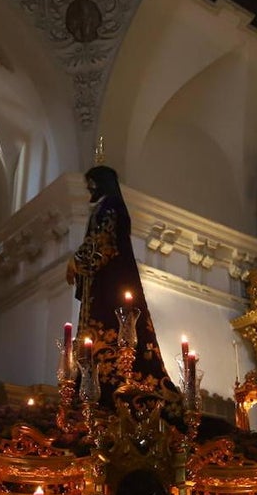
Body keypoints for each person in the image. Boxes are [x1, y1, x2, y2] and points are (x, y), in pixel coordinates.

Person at [66, 165, 177, 410]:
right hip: (101, 284)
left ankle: (113, 386)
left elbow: (103, 241)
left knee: (114, 333)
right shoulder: (104, 207)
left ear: (101, 183)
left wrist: (77, 260)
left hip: (111, 284)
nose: (89, 190)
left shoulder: (111, 206)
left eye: (92, 184)